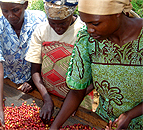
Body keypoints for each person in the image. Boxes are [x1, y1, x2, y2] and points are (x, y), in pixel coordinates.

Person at [50, 0, 143, 129]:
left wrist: (130, 115)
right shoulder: (87, 39)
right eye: (85, 22)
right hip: (106, 122)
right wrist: (54, 127)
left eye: (95, 23)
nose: (90, 29)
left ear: (116, 13)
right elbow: (77, 91)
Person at [25, 0, 94, 123]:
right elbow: (35, 71)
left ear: (70, 15)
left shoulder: (85, 32)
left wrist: (72, 103)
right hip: (48, 95)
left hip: (80, 101)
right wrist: (46, 99)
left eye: (63, 23)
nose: (57, 28)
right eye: (52, 23)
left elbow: (94, 77)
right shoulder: (41, 30)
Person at [0, 0, 47, 129]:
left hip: (39, 77)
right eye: (5, 11)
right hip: (10, 77)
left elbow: (47, 52)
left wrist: (33, 80)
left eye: (15, 10)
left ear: (25, 4)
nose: (10, 16)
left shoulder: (40, 19)